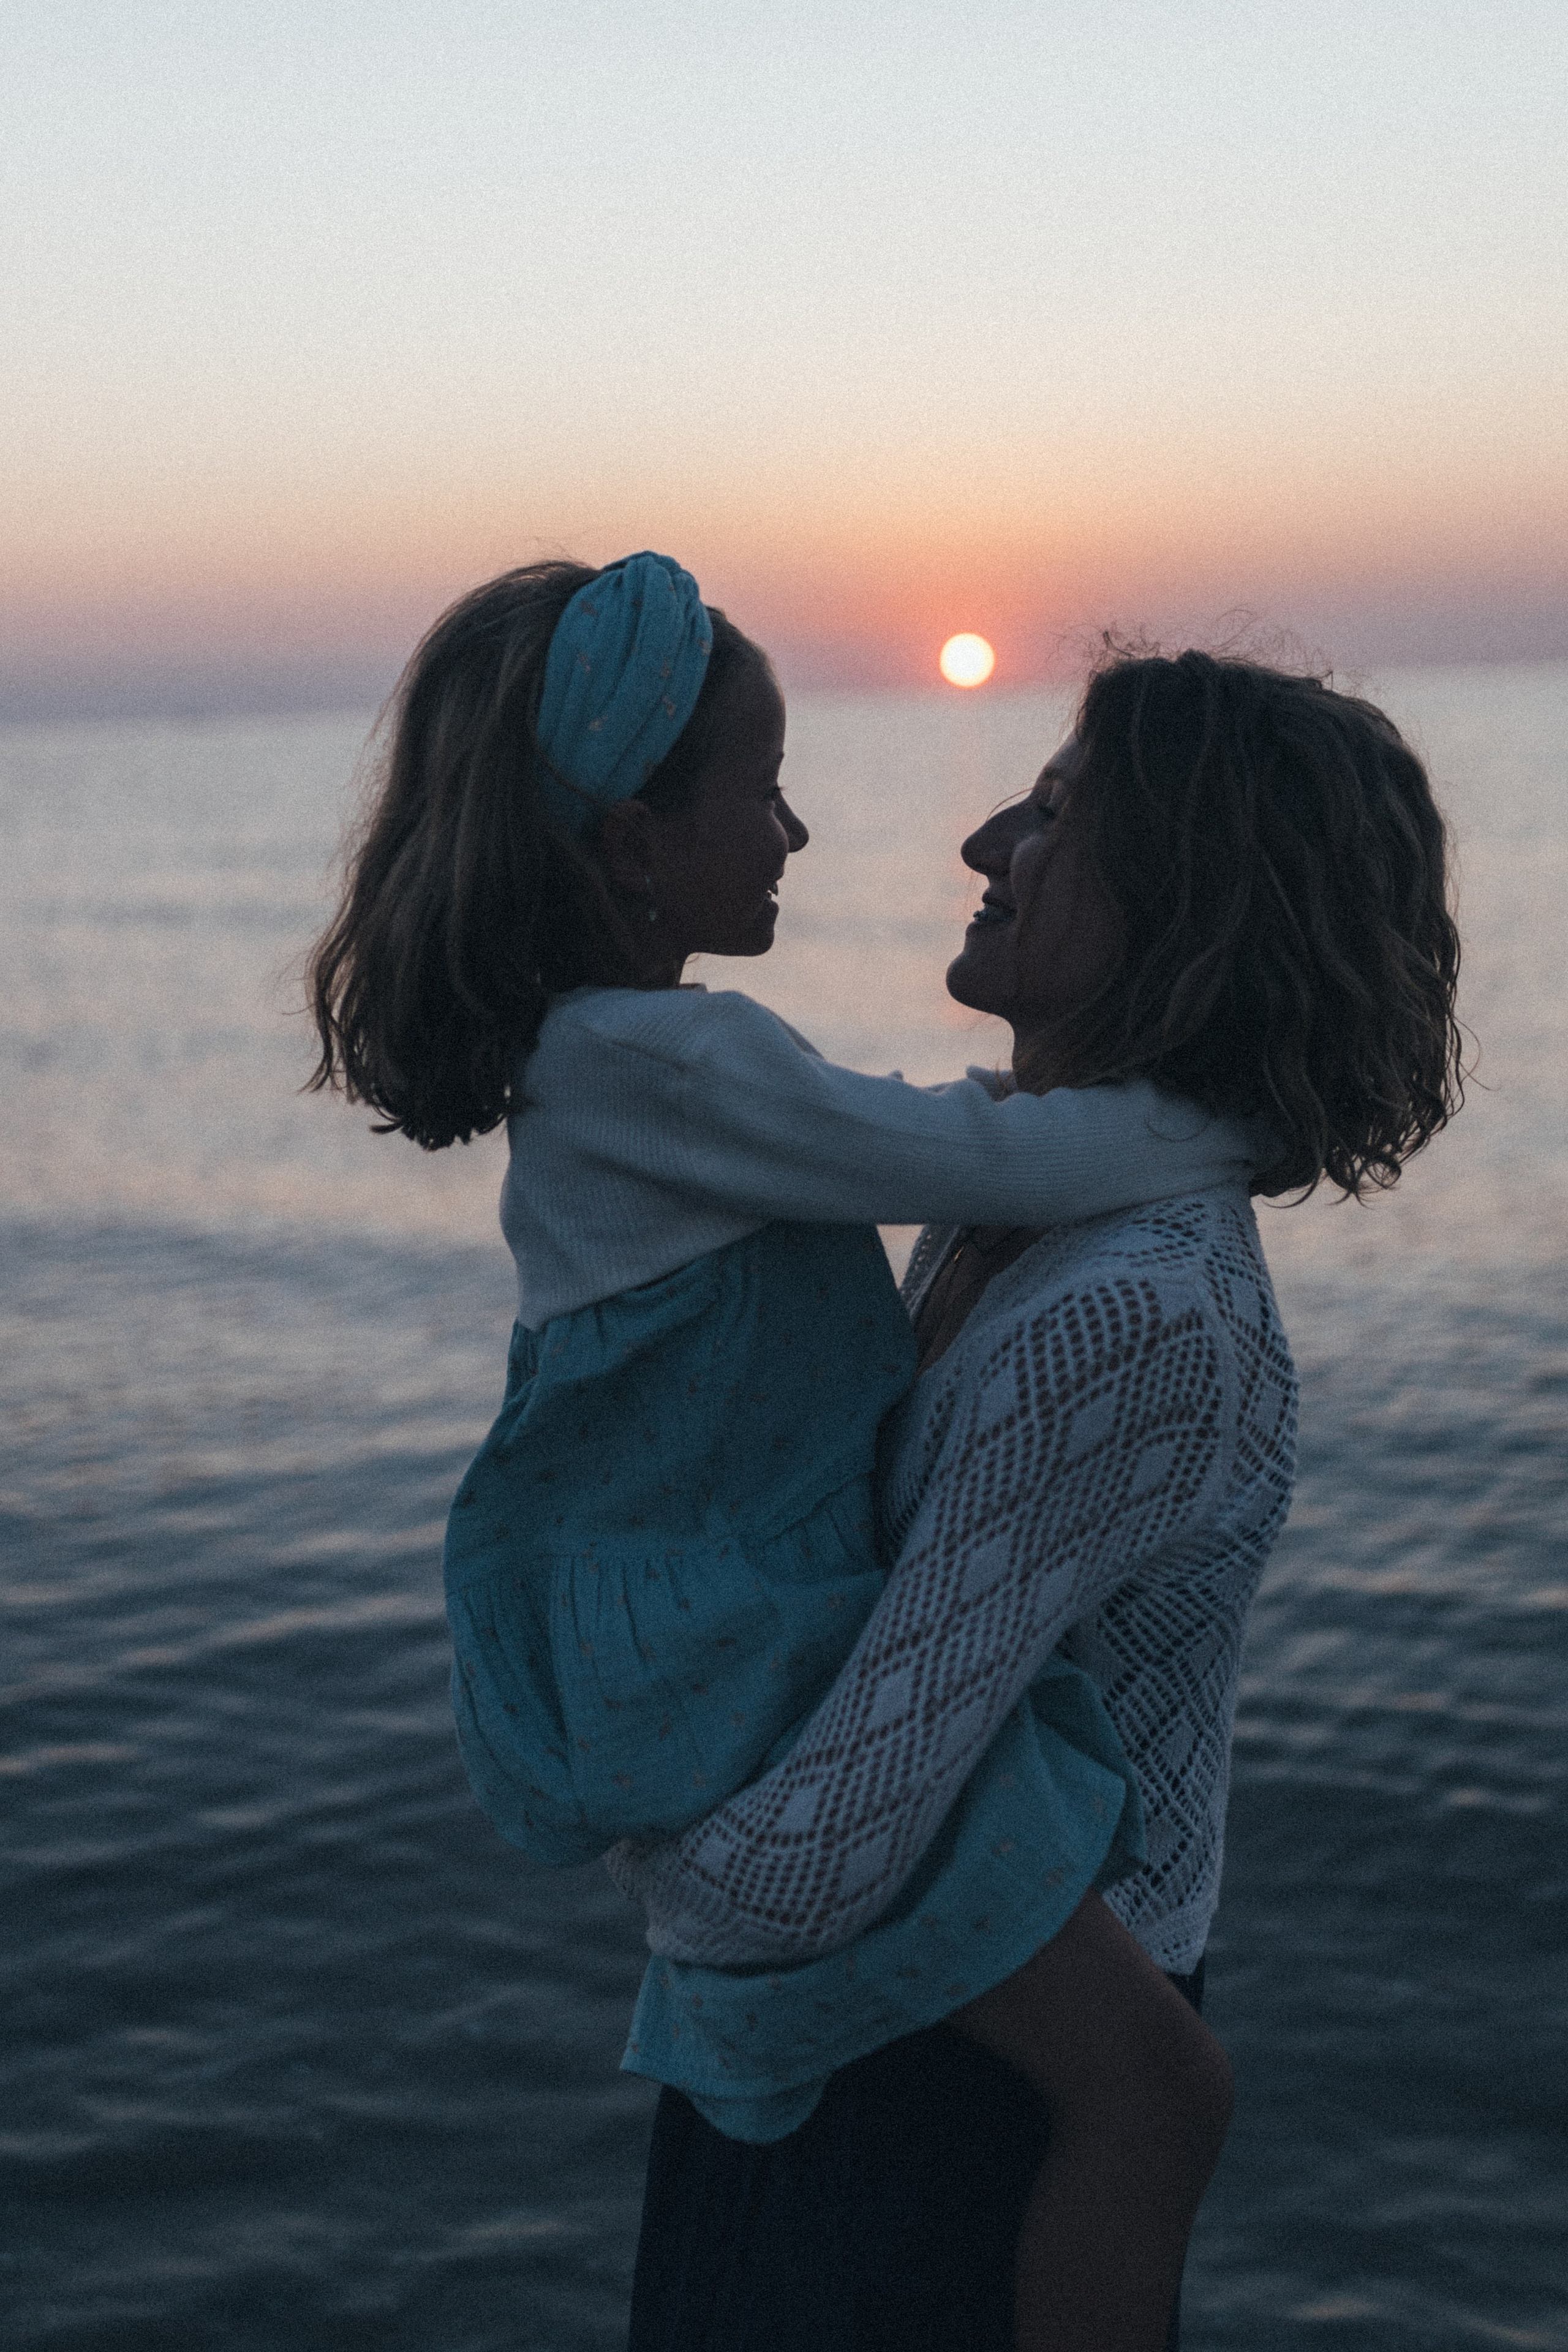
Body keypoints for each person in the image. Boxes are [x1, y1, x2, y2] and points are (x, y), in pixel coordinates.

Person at [306, 559, 1265, 2351]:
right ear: (630, 848)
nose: (800, 828)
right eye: (757, 795)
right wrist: (1222, 1123)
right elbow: (962, 1157)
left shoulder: (604, 1065)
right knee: (1162, 2090)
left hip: (720, 1616)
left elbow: (937, 1162)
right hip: (737, 1636)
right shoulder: (661, 1061)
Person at [615, 649, 1464, 2351]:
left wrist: (620, 1770)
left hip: (970, 2092)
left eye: (1060, 814)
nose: (987, 839)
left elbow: (795, 1876)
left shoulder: (1128, 1318)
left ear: (1195, 902)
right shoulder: (1012, 1190)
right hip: (886, 2026)